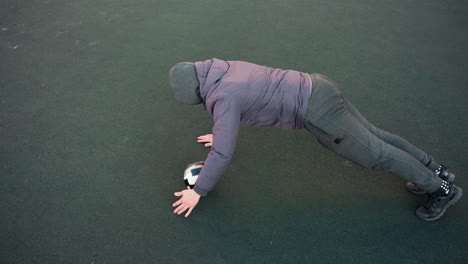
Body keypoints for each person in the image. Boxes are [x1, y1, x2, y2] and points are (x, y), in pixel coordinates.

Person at [169, 58, 462, 220]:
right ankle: (436, 169)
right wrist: (222, 129)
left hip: (318, 111)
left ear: (196, 93)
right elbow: (251, 97)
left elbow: (222, 152)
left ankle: (441, 189)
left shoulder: (223, 97)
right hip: (317, 85)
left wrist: (199, 190)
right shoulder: (222, 70)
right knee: (377, 136)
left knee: (376, 154)